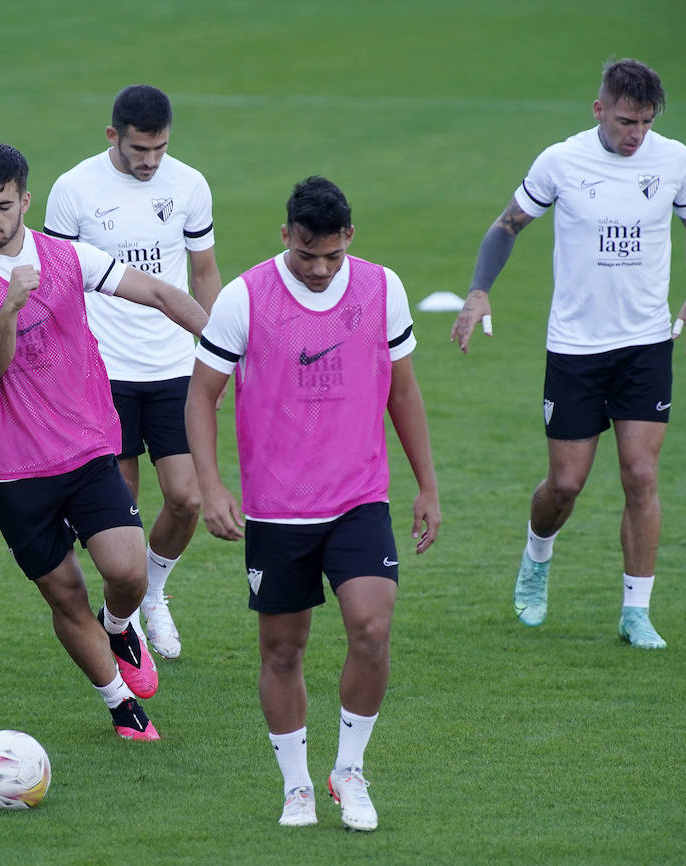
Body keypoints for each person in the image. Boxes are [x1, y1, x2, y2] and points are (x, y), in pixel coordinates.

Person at [187, 176, 440, 831]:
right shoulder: (244, 298)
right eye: (307, 255)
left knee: (372, 629)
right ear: (285, 237)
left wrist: (428, 486)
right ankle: (296, 784)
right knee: (282, 651)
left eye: (331, 255)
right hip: (276, 511)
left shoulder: (382, 289)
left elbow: (404, 392)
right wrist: (212, 488)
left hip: (359, 498)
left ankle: (349, 771)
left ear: (349, 238)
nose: (321, 269)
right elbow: (200, 397)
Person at [449, 58, 686, 649]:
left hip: (645, 344)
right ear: (600, 110)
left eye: (646, 122)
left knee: (641, 475)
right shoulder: (561, 162)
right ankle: (537, 555)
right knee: (565, 484)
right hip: (575, 347)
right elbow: (508, 225)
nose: (636, 134)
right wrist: (478, 292)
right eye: (626, 120)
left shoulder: (675, 161)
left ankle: (636, 611)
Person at [0, 143, 208, 741]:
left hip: (86, 447)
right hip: (11, 469)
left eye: (4, 206)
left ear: (25, 202)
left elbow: (162, 294)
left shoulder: (67, 256)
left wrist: (226, 349)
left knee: (128, 572)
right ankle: (121, 707)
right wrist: (10, 306)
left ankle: (119, 626)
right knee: (64, 595)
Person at [43, 84, 223, 658]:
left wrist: (215, 355)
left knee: (187, 497)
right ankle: (125, 616)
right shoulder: (73, 189)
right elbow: (58, 286)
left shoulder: (189, 185)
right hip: (103, 371)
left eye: (160, 149)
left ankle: (154, 594)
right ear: (112, 136)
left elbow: (205, 273)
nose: (150, 161)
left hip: (173, 368)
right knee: (123, 509)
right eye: (139, 149)